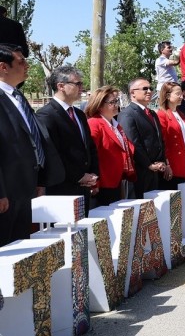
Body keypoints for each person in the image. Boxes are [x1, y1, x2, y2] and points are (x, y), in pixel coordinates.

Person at [0, 44, 48, 245]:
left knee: (21, 249)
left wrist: (40, 179)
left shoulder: (18, 96)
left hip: (26, 187)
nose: (27, 65)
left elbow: (32, 138)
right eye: (21, 61)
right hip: (6, 193)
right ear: (3, 67)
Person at [36, 66, 99, 209]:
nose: (82, 87)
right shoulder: (46, 115)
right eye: (77, 84)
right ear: (61, 86)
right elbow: (53, 153)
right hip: (62, 189)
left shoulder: (79, 114)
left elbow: (89, 146)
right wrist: (78, 176)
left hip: (84, 186)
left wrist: (93, 174)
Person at [86, 86, 136, 206]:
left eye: (116, 101)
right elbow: (91, 154)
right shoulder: (94, 123)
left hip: (116, 180)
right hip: (102, 183)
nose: (116, 105)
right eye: (112, 102)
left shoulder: (115, 124)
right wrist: (94, 183)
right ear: (99, 105)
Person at [119, 78, 168, 198]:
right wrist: (148, 164)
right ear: (132, 93)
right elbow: (133, 143)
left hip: (154, 170)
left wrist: (161, 161)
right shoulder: (127, 114)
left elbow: (158, 140)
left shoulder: (152, 113)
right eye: (145, 88)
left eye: (150, 88)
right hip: (139, 171)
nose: (149, 91)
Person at [156, 82, 185, 189]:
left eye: (182, 94)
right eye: (178, 94)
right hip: (172, 164)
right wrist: (167, 164)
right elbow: (162, 141)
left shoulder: (181, 114)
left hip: (184, 163)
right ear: (167, 96)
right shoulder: (162, 114)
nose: (181, 96)